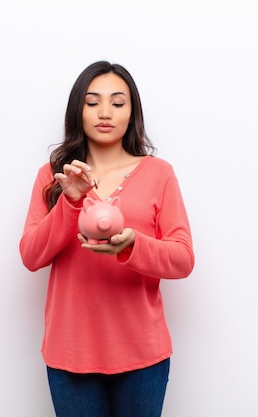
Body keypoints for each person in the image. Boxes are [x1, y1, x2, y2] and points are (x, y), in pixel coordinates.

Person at [19, 60, 195, 417]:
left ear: (132, 113)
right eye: (92, 101)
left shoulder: (159, 174)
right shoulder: (53, 176)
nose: (105, 112)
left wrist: (133, 245)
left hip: (142, 354)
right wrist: (69, 201)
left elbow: (183, 258)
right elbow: (31, 256)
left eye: (117, 103)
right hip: (69, 354)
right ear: (77, 110)